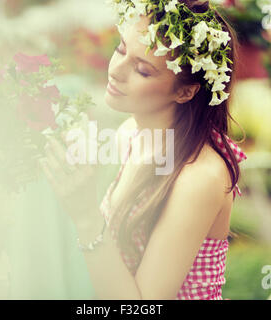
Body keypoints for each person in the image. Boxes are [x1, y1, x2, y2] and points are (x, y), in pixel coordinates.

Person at [41, 0, 247, 300]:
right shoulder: (130, 133)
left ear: (185, 91)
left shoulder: (199, 177)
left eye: (142, 70)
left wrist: (86, 216)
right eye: (121, 49)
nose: (117, 71)